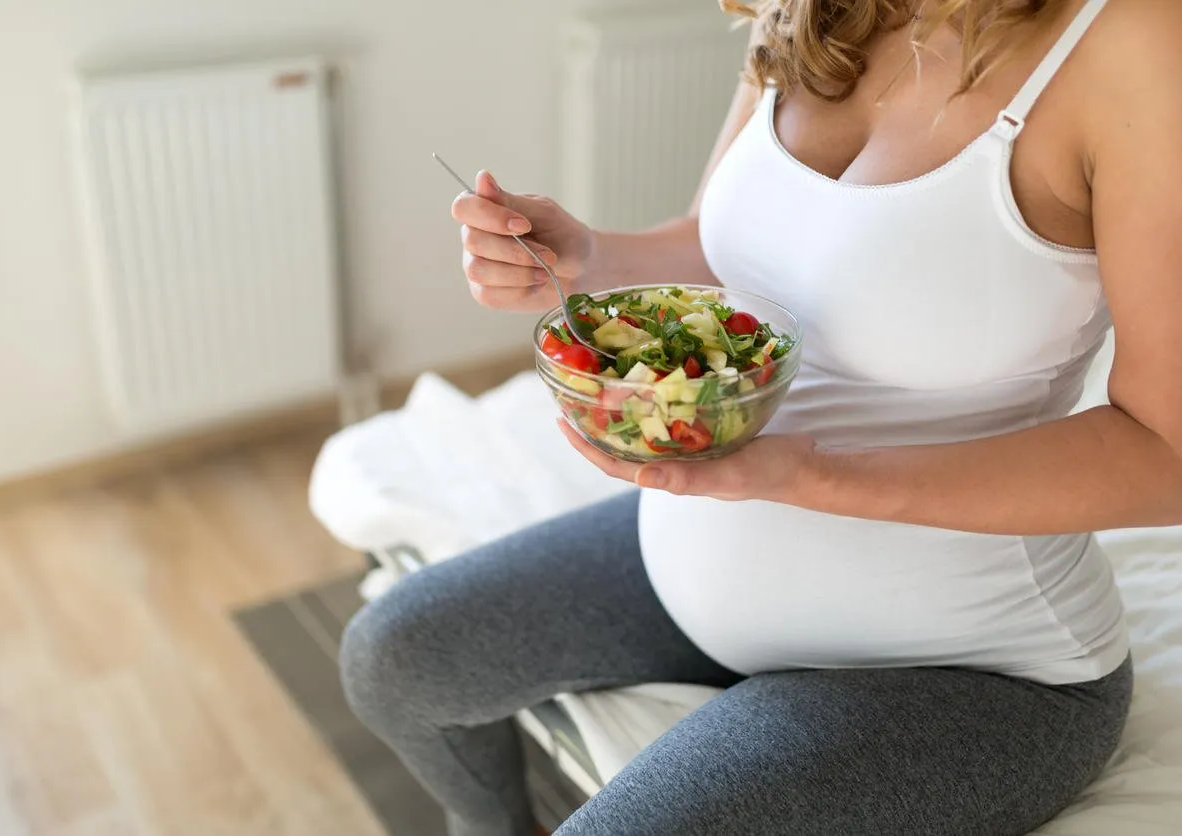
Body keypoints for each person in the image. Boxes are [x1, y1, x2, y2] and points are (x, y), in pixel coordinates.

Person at [340, 0, 1182, 833]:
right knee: (396, 659)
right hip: (697, 561)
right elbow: (726, 244)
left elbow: (1165, 454)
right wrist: (588, 257)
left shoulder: (1135, 42)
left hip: (964, 664)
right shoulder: (812, 7)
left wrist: (812, 475)